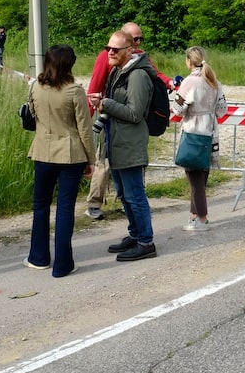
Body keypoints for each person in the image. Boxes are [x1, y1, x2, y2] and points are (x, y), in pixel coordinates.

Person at [83, 21, 173, 220]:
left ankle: (142, 239)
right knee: (104, 166)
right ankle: (95, 203)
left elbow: (136, 110)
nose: (138, 42)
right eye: (135, 39)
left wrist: (171, 83)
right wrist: (89, 116)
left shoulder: (140, 65)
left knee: (132, 192)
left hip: (127, 134)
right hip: (111, 126)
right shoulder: (107, 59)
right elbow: (95, 85)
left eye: (140, 39)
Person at [25, 45, 96, 277]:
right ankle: (63, 264)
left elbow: (33, 115)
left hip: (42, 150)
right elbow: (84, 128)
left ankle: (38, 257)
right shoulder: (74, 91)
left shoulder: (36, 86)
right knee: (65, 208)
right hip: (70, 152)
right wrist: (91, 159)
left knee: (40, 205)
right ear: (70, 65)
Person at [94, 30, 160, 261]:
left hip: (130, 143)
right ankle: (135, 234)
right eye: (108, 48)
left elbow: (135, 113)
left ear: (130, 50)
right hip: (118, 141)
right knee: (123, 193)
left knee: (134, 195)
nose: (109, 52)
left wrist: (106, 103)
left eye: (115, 49)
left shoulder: (138, 75)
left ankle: (146, 242)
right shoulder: (118, 71)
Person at [171, 46, 228, 231]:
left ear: (189, 61)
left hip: (193, 131)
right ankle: (194, 215)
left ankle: (202, 219)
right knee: (201, 177)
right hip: (210, 133)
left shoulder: (189, 82)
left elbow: (178, 110)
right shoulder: (214, 81)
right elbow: (222, 110)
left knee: (194, 179)